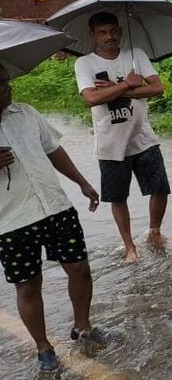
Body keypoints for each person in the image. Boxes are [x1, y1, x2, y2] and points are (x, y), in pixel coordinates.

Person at [0, 64, 107, 372]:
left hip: (56, 208)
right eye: (0, 84)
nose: (9, 88)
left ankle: (83, 326)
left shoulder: (26, 113)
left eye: (8, 82)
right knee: (28, 285)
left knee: (80, 269)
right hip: (12, 222)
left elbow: (53, 150)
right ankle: (44, 347)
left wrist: (82, 183)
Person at [74, 12, 170, 262]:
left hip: (142, 135)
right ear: (93, 35)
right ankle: (129, 246)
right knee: (118, 196)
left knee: (160, 188)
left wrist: (116, 90)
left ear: (120, 31)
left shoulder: (136, 55)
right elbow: (91, 98)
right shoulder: (84, 64)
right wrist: (127, 85)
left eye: (113, 31)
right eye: (103, 32)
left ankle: (154, 231)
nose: (109, 37)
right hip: (110, 142)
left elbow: (158, 87)